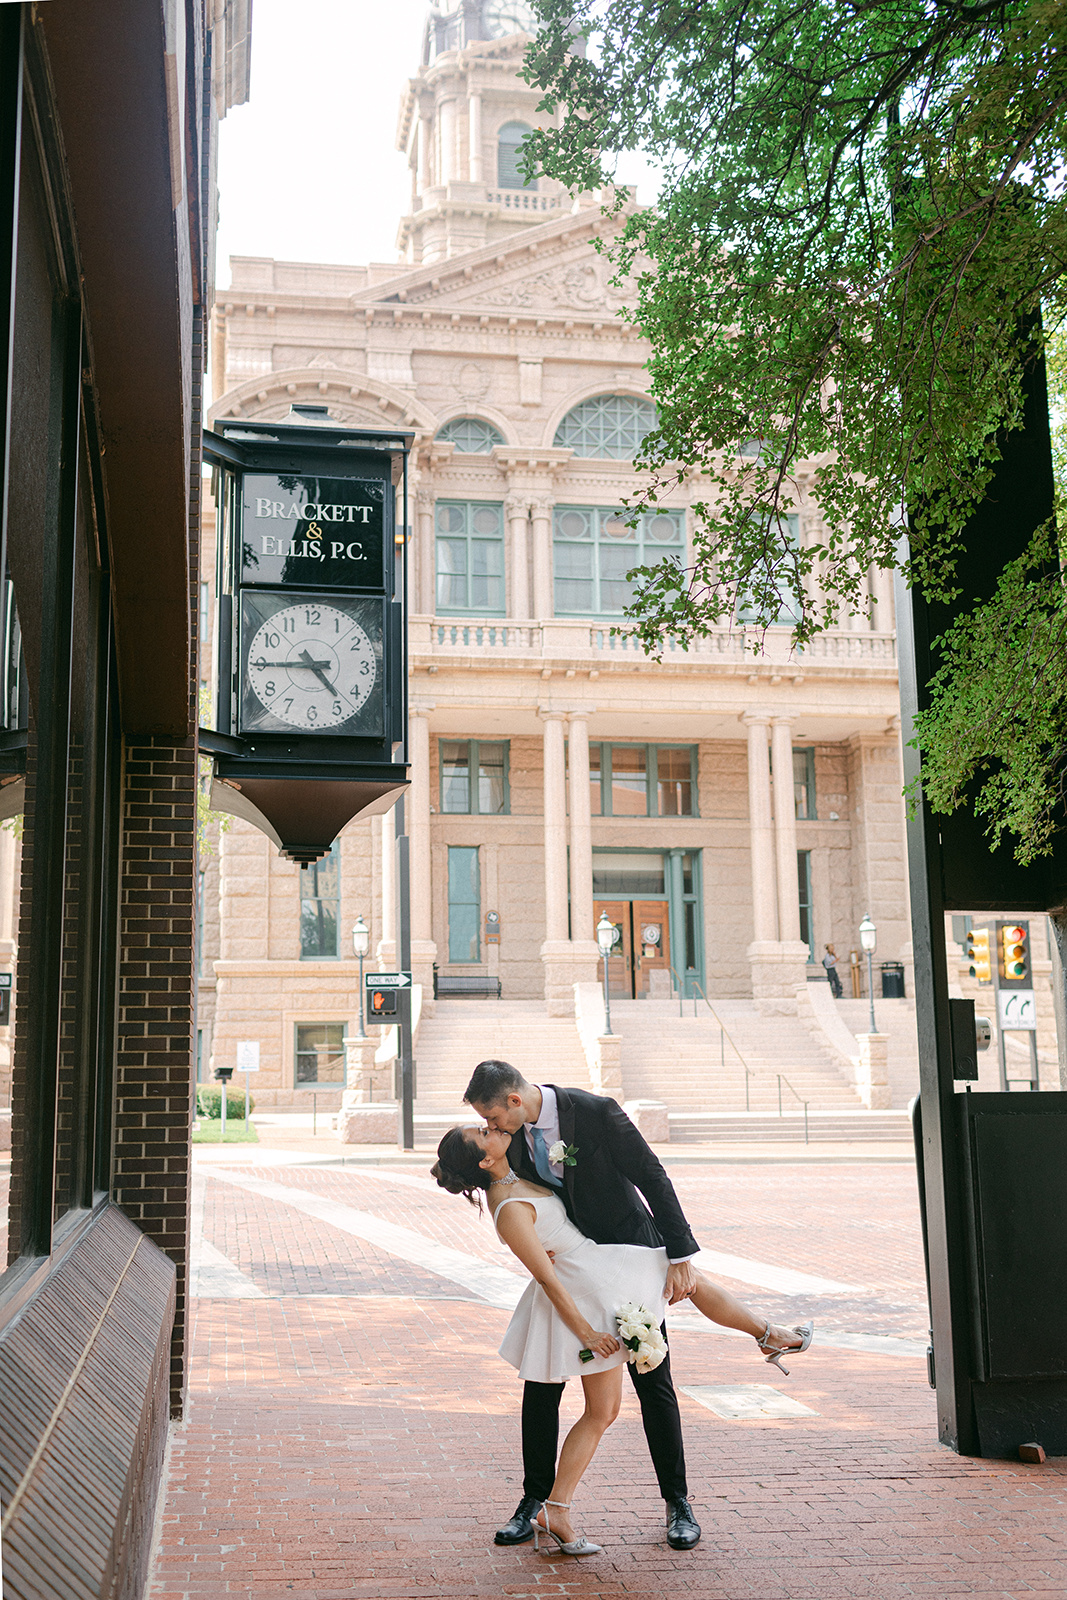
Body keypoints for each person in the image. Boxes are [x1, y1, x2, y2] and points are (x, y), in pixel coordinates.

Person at [458, 1060, 813, 1552]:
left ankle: (678, 1504)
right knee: (542, 1393)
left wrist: (681, 1253)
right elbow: (506, 1190)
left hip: (628, 1252)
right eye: (488, 1125)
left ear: (515, 1102)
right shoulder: (506, 1137)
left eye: (494, 1119)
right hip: (572, 1269)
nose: (492, 1128)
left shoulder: (596, 1112)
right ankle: (533, 1502)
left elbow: (651, 1174)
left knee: (654, 1384)